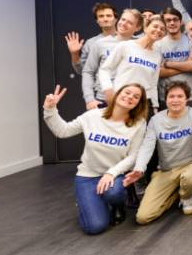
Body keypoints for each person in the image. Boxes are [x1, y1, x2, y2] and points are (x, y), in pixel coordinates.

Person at [42, 83, 148, 235]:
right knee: (95, 227)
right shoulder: (93, 116)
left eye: (136, 96)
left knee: (114, 193)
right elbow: (63, 131)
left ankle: (116, 204)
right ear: (117, 94)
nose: (130, 97)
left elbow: (133, 156)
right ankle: (88, 201)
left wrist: (111, 173)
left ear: (139, 103)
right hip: (87, 176)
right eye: (127, 92)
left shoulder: (138, 123)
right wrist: (50, 109)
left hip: (115, 175)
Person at [124, 82, 192, 224]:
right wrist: (139, 168)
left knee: (191, 178)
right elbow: (147, 146)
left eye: (180, 96)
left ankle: (186, 195)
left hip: (190, 164)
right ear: (165, 99)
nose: (175, 100)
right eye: (171, 96)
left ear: (187, 99)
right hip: (166, 170)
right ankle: (176, 194)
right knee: (143, 217)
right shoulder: (155, 120)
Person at [99, 15, 166, 110]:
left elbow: (153, 84)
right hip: (122, 99)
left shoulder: (157, 56)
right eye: (155, 26)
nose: (158, 30)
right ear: (146, 28)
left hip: (143, 104)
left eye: (162, 29)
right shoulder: (126, 46)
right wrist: (108, 89)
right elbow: (104, 69)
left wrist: (155, 106)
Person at [82, 9, 143, 110]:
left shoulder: (140, 45)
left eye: (130, 22)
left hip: (130, 101)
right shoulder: (100, 44)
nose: (124, 24)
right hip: (103, 100)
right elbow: (88, 72)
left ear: (137, 28)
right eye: (123, 19)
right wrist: (89, 99)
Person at [155, 7, 192, 108]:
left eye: (175, 19)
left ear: (181, 22)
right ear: (164, 23)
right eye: (168, 20)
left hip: (191, 96)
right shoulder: (157, 44)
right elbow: (158, 72)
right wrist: (186, 63)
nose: (172, 23)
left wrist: (167, 64)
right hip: (167, 96)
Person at [65, 2, 118, 75]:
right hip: (100, 82)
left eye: (109, 16)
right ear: (97, 21)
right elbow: (82, 71)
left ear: (115, 19)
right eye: (101, 16)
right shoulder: (91, 43)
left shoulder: (128, 40)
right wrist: (75, 54)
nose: (105, 19)